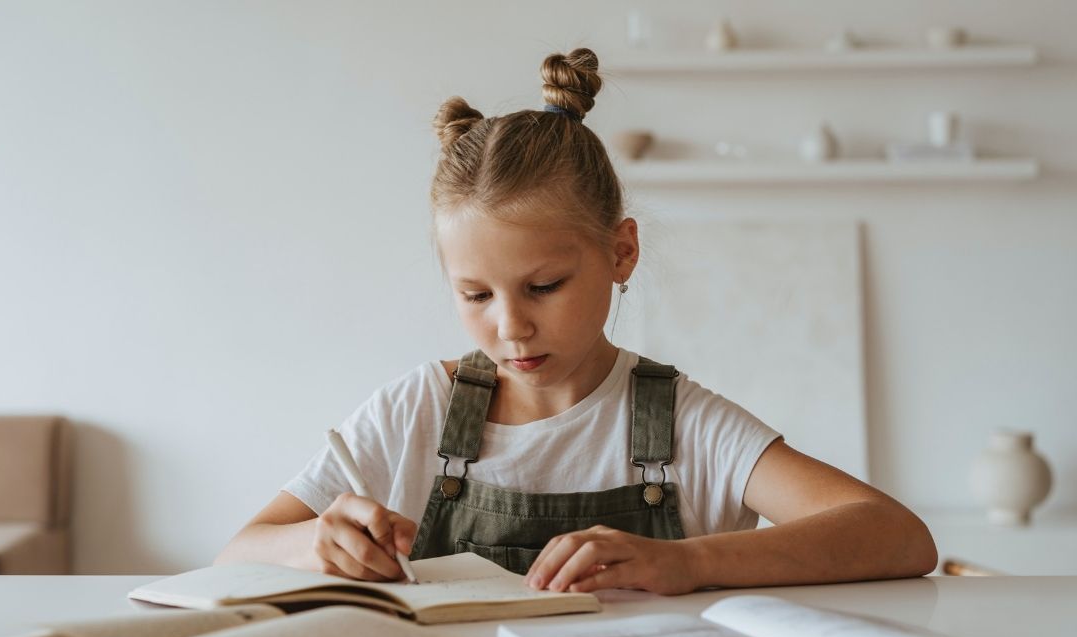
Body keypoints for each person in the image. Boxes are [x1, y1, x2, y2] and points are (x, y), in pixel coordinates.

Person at [216, 48, 937, 595]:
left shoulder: (681, 422)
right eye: (475, 296)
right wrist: (315, 543)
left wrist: (686, 560)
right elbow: (238, 550)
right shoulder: (417, 412)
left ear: (620, 252)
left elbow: (898, 536)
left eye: (543, 286)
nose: (511, 327)